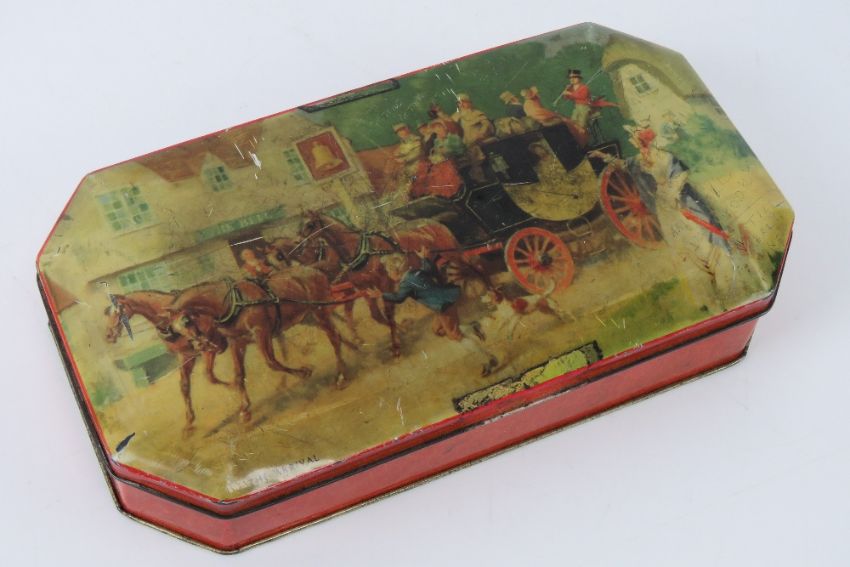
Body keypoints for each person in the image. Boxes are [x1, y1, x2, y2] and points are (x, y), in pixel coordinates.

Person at [370, 247, 498, 376]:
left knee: (455, 335)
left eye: (389, 271)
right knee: (437, 329)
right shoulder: (415, 272)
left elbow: (399, 298)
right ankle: (471, 327)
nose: (389, 275)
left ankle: (488, 359)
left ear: (395, 271)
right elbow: (429, 270)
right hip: (445, 300)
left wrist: (381, 295)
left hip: (443, 306)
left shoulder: (406, 282)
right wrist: (424, 258)